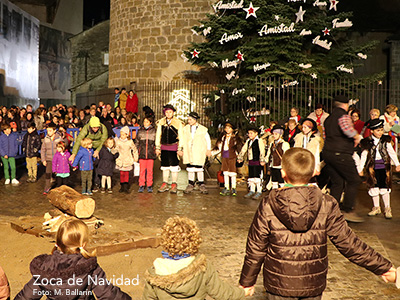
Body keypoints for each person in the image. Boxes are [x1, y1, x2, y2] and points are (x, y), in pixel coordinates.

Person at [239, 147, 397, 300]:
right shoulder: (326, 203)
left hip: (279, 283)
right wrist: (382, 267)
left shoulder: (268, 204)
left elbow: (255, 248)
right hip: (312, 282)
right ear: (314, 172)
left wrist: (247, 282)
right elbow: (348, 243)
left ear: (282, 173)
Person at [14, 219, 131, 300]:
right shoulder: (90, 267)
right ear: (84, 244)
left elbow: (27, 296)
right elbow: (108, 294)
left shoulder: (45, 268)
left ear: (57, 244)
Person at [142, 216, 250, 300]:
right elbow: (222, 292)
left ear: (166, 241)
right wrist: (242, 292)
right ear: (194, 241)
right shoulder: (203, 268)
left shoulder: (155, 274)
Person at [322, 95, 363, 223]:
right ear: (345, 105)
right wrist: (357, 136)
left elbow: (325, 136)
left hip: (328, 153)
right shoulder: (343, 116)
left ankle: (332, 212)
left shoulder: (328, 119)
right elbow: (348, 131)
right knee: (354, 180)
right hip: (341, 153)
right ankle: (348, 210)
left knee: (337, 182)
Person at [358, 119, 400, 219]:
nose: (380, 132)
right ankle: (376, 207)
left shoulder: (386, 140)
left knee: (385, 187)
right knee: (373, 186)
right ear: (372, 131)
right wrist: (360, 168)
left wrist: (397, 164)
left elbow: (391, 153)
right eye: (378, 130)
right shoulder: (367, 142)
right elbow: (364, 156)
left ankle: (387, 208)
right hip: (372, 168)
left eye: (381, 130)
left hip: (384, 167)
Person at [70, 116, 108, 191]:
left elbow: (104, 141)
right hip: (88, 146)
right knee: (89, 164)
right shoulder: (86, 128)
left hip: (99, 146)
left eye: (97, 127)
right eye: (94, 128)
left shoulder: (103, 128)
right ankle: (88, 184)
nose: (96, 129)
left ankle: (97, 183)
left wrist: (97, 150)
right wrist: (74, 154)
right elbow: (78, 140)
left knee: (98, 164)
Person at [155, 104, 184, 194]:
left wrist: (180, 148)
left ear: (173, 112)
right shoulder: (161, 122)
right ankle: (165, 183)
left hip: (174, 147)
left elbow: (181, 136)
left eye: (170, 112)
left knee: (174, 167)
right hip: (163, 147)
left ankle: (174, 184)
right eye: (167, 112)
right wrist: (157, 147)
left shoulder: (178, 123)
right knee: (165, 167)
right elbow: (158, 135)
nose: (168, 114)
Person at [181, 112, 212, 194]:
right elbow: (182, 139)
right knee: (190, 168)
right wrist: (181, 148)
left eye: (190, 119)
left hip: (199, 151)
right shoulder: (186, 128)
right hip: (189, 151)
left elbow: (207, 139)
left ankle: (201, 183)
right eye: (188, 119)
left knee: (199, 168)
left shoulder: (203, 129)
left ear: (195, 119)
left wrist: (208, 149)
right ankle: (190, 183)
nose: (189, 121)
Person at [212, 121, 243, 196]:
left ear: (232, 129)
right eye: (226, 128)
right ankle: (226, 187)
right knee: (225, 172)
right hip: (225, 156)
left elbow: (238, 149)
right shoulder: (223, 137)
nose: (227, 129)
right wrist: (212, 153)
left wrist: (239, 157)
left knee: (232, 172)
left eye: (229, 128)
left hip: (232, 156)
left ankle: (233, 187)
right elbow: (219, 147)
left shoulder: (235, 138)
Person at [238, 126, 266, 200]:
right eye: (249, 133)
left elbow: (262, 150)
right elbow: (244, 149)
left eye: (251, 133)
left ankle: (259, 191)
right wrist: (240, 157)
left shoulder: (259, 141)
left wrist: (262, 159)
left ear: (256, 133)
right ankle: (252, 190)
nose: (250, 135)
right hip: (250, 160)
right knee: (251, 176)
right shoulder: (248, 141)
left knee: (257, 176)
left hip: (257, 161)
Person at [41, 123, 65, 194]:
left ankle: (59, 187)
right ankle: (47, 187)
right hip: (48, 159)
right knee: (48, 174)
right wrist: (43, 160)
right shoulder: (46, 139)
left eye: (50, 131)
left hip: (57, 160)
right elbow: (43, 150)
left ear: (54, 131)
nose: (48, 132)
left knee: (58, 174)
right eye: (48, 131)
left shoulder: (59, 139)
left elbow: (63, 147)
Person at [135, 116, 156, 193]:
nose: (145, 123)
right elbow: (137, 142)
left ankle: (149, 185)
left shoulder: (154, 131)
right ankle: (141, 184)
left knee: (150, 171)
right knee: (142, 171)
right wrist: (136, 152)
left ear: (150, 123)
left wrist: (156, 151)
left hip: (151, 154)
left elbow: (156, 143)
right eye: (144, 122)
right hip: (142, 154)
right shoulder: (140, 131)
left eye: (147, 122)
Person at [265, 125, 290, 189]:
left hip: (280, 166)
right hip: (273, 166)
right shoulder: (272, 144)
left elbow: (287, 155)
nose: (274, 135)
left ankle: (283, 194)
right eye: (273, 134)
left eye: (276, 134)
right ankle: (275, 194)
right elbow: (269, 154)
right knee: (274, 182)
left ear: (280, 135)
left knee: (281, 182)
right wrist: (266, 160)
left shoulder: (284, 144)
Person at [115, 126, 138, 193]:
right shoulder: (118, 141)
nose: (122, 136)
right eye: (121, 134)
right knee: (122, 173)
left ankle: (126, 186)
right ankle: (122, 186)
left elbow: (134, 149)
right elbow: (116, 149)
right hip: (121, 159)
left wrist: (135, 157)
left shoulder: (130, 142)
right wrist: (112, 151)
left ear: (126, 135)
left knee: (126, 173)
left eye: (123, 135)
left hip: (127, 158)